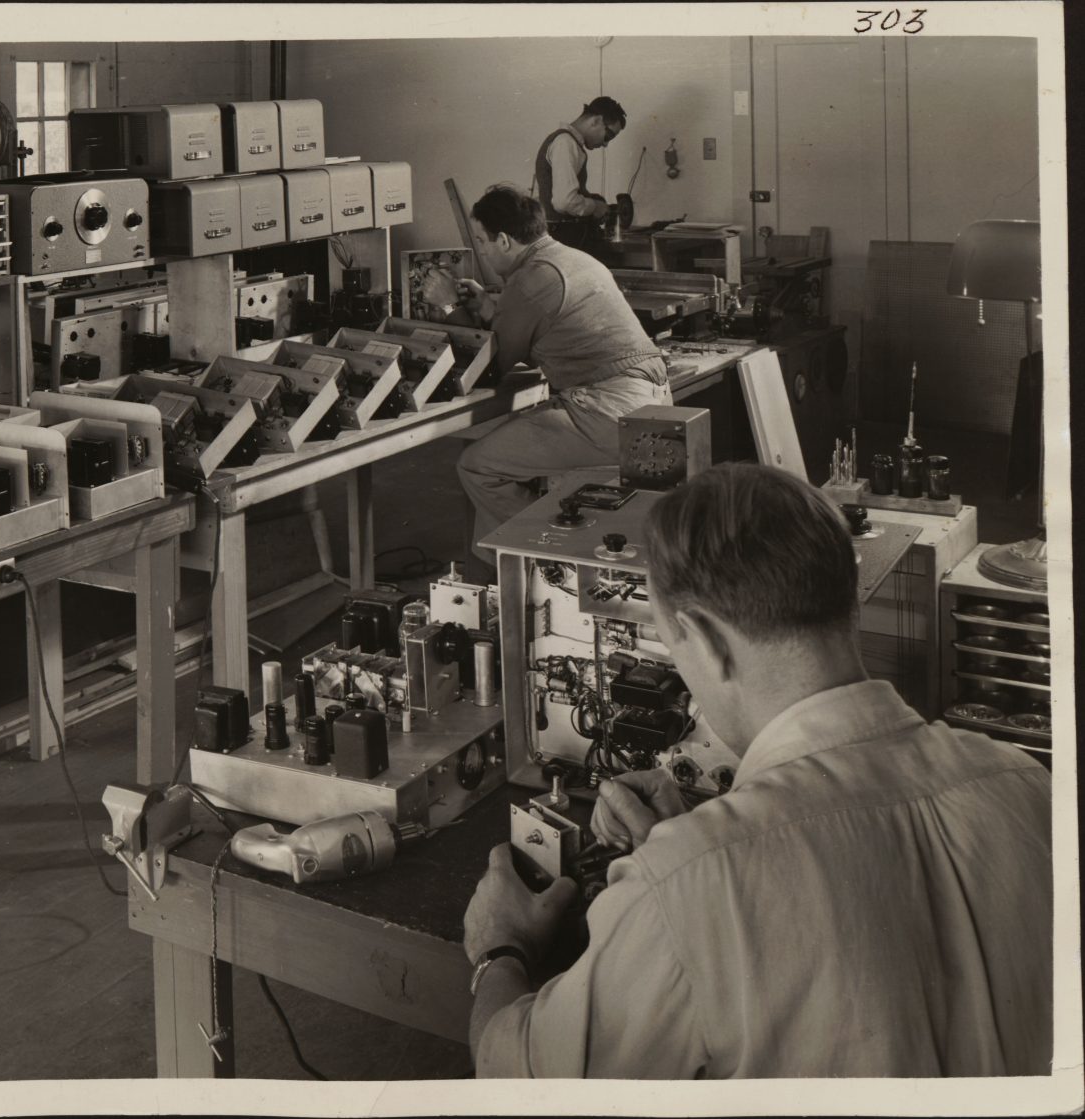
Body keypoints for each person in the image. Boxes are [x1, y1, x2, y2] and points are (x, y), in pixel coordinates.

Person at [463, 464, 1053, 1078]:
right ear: (847, 604)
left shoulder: (682, 886)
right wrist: (709, 835)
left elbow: (519, 1075)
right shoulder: (1025, 783)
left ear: (708, 642)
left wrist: (499, 950)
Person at [418, 185, 668, 579]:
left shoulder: (533, 278)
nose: (482, 251)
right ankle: (515, 571)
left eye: (482, 242)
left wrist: (449, 305)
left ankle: (557, 562)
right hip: (642, 402)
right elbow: (544, 317)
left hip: (608, 413)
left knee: (478, 467)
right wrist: (491, 307)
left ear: (503, 239)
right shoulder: (568, 258)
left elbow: (488, 369)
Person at [533, 96, 626, 250]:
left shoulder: (569, 143)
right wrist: (595, 207)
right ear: (596, 121)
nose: (605, 144)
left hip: (562, 235)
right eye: (608, 136)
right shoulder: (565, 143)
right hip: (563, 237)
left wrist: (593, 201)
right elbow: (565, 201)